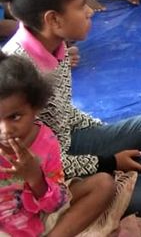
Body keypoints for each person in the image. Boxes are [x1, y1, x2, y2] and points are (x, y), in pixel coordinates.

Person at [0, 0, 141, 236]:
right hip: (43, 177)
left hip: (66, 145)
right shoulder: (22, 74)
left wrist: (104, 132)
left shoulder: (55, 45)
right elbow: (46, 158)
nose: (90, 11)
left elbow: (64, 112)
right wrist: (108, 161)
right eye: (80, 6)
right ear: (53, 19)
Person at [0, 53, 114, 237]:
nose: (5, 130)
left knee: (104, 184)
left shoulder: (46, 141)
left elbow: (55, 203)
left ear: (35, 108)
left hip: (40, 216)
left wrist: (35, 177)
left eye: (15, 117)